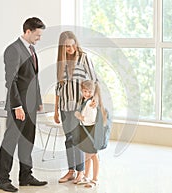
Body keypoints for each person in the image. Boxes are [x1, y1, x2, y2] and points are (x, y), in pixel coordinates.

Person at [0, 17, 47, 192]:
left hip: (31, 105)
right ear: (28, 31)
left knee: (28, 141)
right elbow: (11, 81)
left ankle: (26, 175)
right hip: (18, 105)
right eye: (37, 35)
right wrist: (17, 106)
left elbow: (34, 78)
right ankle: (3, 179)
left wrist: (38, 100)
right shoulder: (13, 50)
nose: (39, 38)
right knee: (10, 141)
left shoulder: (31, 50)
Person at [54, 31, 97, 184]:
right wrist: (56, 111)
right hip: (64, 107)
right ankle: (71, 171)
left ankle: (81, 171)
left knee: (78, 139)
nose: (71, 48)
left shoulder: (84, 57)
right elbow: (58, 88)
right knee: (68, 139)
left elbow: (94, 80)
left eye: (73, 45)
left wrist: (95, 99)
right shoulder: (61, 62)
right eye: (67, 46)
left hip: (80, 108)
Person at [74, 80, 108, 188]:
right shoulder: (84, 101)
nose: (87, 93)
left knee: (93, 155)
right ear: (82, 91)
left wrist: (81, 117)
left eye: (89, 91)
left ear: (93, 92)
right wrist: (79, 115)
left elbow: (91, 119)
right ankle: (86, 177)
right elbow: (78, 112)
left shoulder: (91, 103)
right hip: (85, 130)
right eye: (85, 91)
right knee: (87, 154)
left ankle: (95, 179)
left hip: (90, 131)